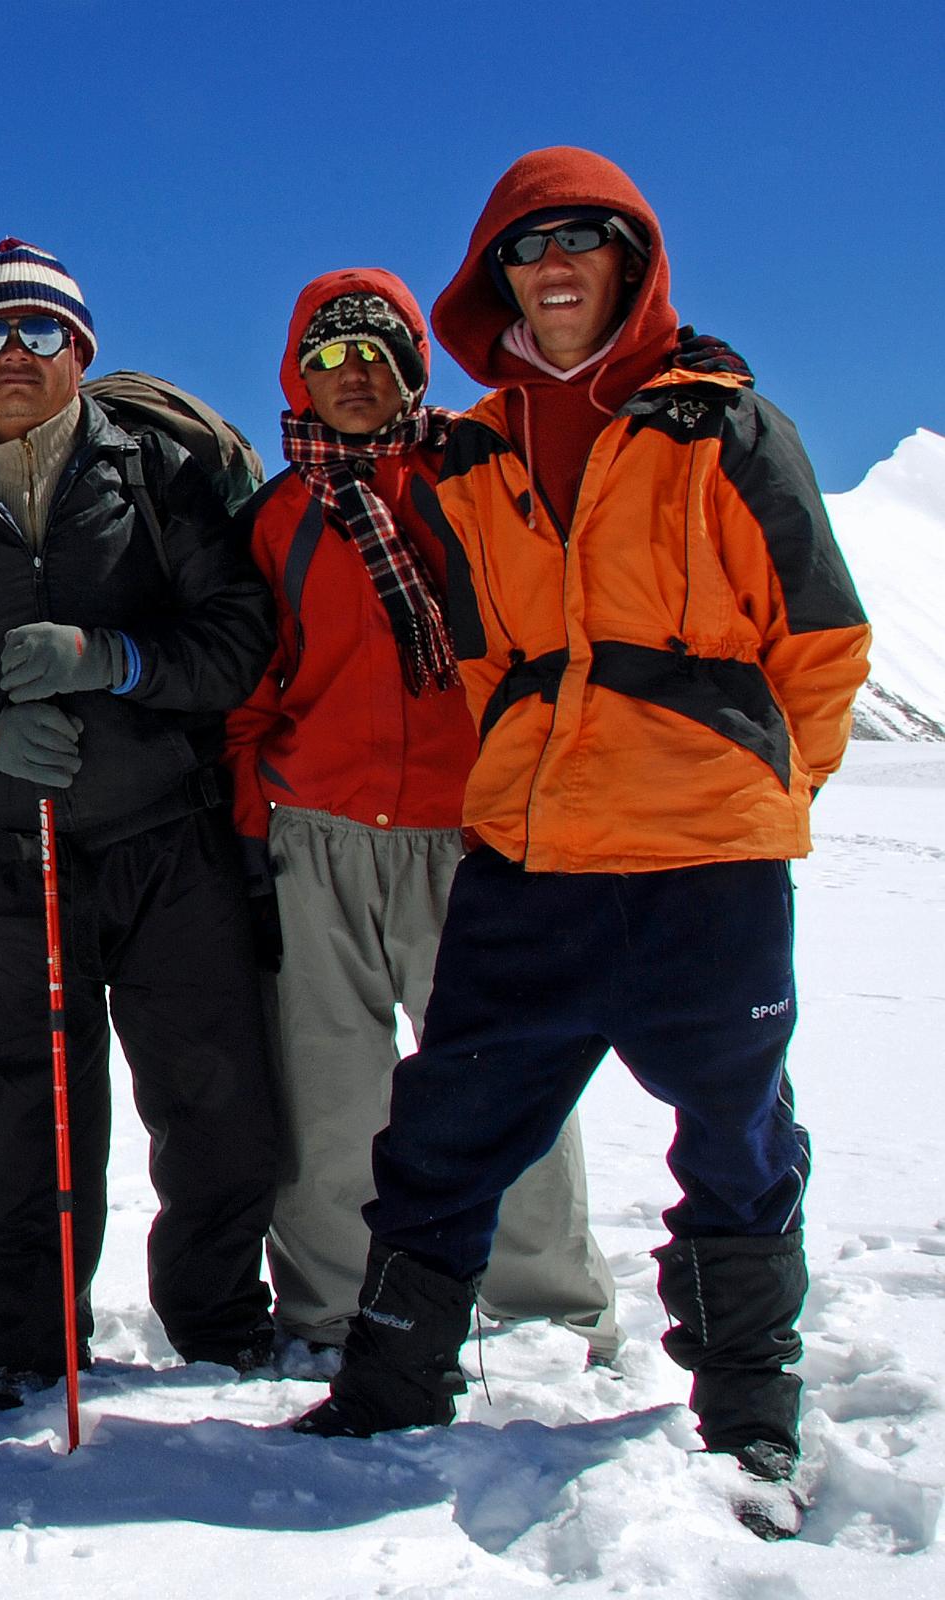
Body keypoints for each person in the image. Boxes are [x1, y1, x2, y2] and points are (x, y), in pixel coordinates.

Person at [293, 150, 870, 1523]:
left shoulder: (722, 427)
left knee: (731, 1133)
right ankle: (387, 1386)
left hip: (703, 868)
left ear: (627, 260)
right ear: (495, 279)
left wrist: (750, 794)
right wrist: (528, 774)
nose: (550, 269)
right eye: (523, 248)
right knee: (442, 1127)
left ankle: (747, 1413)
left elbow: (821, 643)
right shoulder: (477, 456)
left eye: (579, 242)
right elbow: (491, 658)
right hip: (533, 862)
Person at [0, 238, 282, 1404]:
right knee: (27, 1110)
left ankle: (215, 1315)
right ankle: (34, 1341)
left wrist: (118, 657)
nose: (13, 354)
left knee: (208, 1096)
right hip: (5, 855)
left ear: (79, 351)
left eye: (39, 332)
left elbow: (239, 643)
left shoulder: (157, 474)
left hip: (163, 838)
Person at [224, 270, 618, 1362]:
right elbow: (249, 687)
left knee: (508, 1082)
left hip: (471, 834)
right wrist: (254, 830)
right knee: (328, 1099)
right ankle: (332, 1315)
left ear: (411, 366)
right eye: (328, 357)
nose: (351, 377)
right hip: (318, 833)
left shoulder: (478, 480)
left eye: (373, 355)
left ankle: (542, 1312)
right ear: (295, 374)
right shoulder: (275, 516)